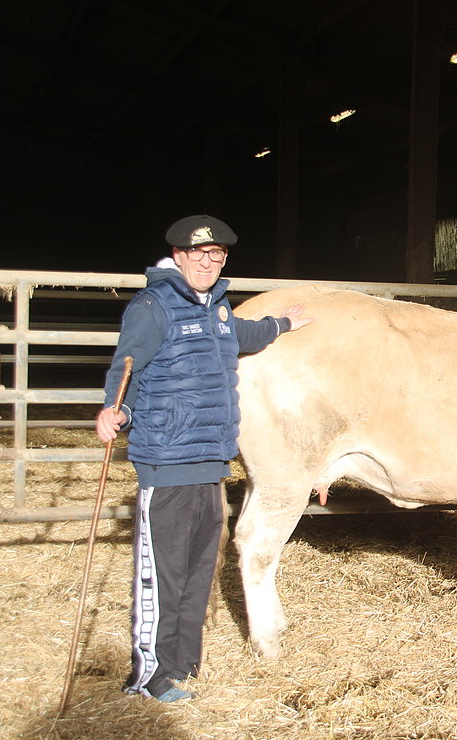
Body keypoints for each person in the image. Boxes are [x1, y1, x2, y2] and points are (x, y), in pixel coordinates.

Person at [96, 214, 312, 702]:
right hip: (167, 461)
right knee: (162, 574)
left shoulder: (216, 308)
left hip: (211, 463)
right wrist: (116, 410)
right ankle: (149, 677)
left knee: (197, 571)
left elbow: (241, 335)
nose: (207, 263)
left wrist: (282, 324)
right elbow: (127, 365)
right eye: (198, 254)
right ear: (178, 256)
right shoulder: (153, 305)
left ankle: (182, 666)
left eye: (217, 256)